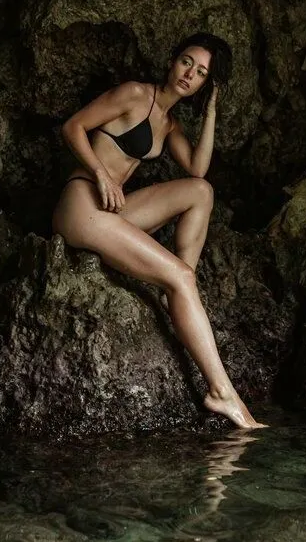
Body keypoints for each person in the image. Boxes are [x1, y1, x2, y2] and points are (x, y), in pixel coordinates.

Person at [52, 32, 266, 431]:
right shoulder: (134, 94)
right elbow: (73, 126)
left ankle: (181, 294)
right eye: (187, 62)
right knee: (179, 276)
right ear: (172, 60)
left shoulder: (169, 125)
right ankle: (221, 391)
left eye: (201, 73)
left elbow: (198, 169)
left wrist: (212, 110)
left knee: (201, 192)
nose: (190, 74)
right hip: (81, 203)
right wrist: (100, 174)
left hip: (112, 211)